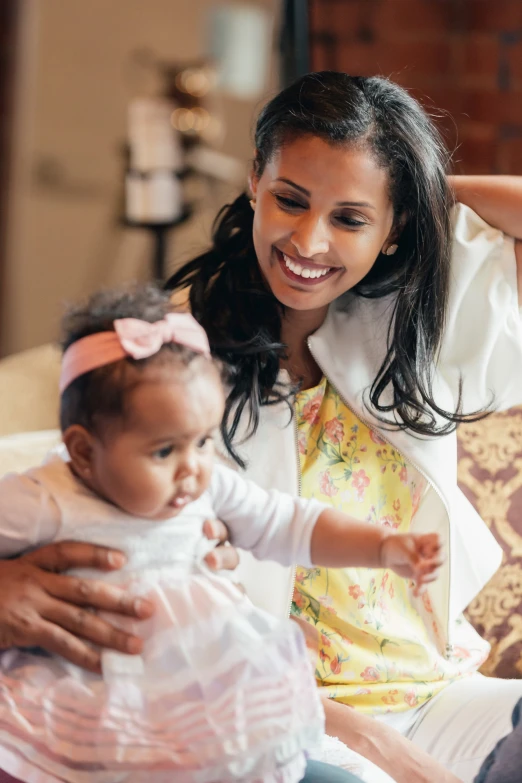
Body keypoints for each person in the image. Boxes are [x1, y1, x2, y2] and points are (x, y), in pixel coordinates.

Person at [161, 71, 522, 783]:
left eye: (350, 218)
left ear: (395, 230)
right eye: (290, 199)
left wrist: (423, 191)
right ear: (253, 181)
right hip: (284, 719)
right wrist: (387, 753)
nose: (308, 240)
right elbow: (182, 618)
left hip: (439, 695)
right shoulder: (174, 357)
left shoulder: (412, 325)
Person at [0, 284, 442, 783]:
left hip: (197, 712)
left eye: (204, 441)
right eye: (164, 451)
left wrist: (381, 547)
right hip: (85, 711)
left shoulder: (205, 488)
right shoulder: (47, 497)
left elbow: (289, 522)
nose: (193, 468)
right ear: (83, 452)